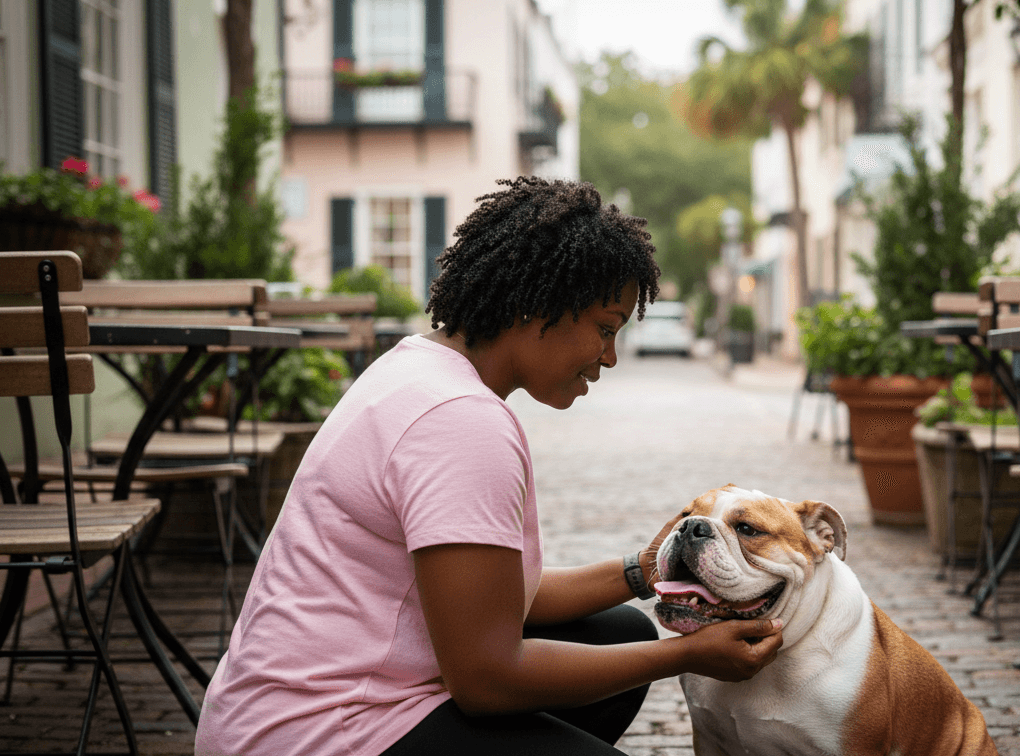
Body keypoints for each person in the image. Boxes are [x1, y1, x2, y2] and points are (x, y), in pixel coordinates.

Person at [195, 177, 784, 756]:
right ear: (539, 304)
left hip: (298, 705)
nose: (608, 356)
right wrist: (686, 656)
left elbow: (504, 600)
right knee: (626, 656)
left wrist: (644, 569)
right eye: (605, 328)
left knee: (620, 630)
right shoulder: (461, 423)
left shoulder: (417, 366)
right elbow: (486, 680)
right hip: (316, 730)